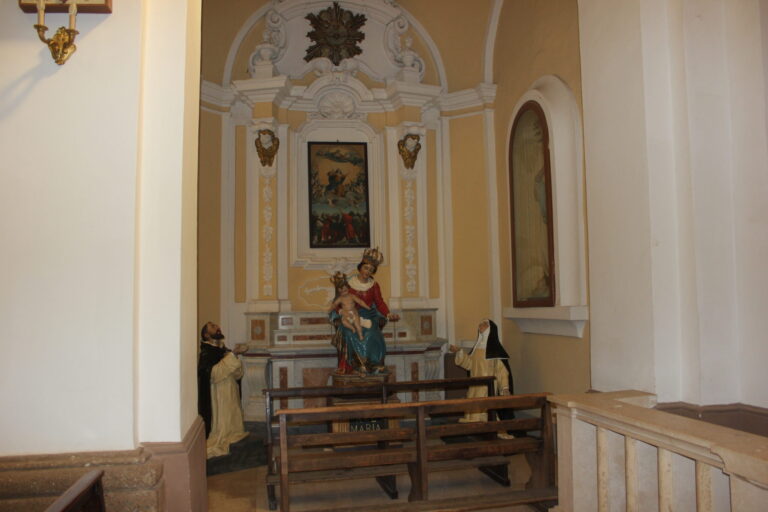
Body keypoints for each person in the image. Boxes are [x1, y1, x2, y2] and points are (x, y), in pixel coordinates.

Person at [330, 247, 399, 374]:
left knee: (373, 334)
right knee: (350, 332)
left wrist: (388, 314)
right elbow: (337, 302)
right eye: (366, 268)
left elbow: (379, 302)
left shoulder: (374, 285)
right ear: (360, 267)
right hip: (351, 316)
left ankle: (372, 365)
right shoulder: (348, 283)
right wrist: (341, 312)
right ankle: (354, 366)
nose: (367, 272)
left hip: (369, 316)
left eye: (371, 270)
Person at [197, 322, 248, 459]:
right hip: (218, 394)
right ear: (206, 335)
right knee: (222, 425)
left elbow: (237, 373)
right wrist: (233, 355)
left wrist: (234, 356)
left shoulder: (223, 350)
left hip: (231, 390)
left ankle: (232, 433)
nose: (217, 327)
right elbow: (213, 374)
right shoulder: (206, 353)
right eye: (212, 327)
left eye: (216, 325)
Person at [449, 319, 513, 423]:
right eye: (480, 323)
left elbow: (502, 371)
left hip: (487, 387)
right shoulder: (477, 349)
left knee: (484, 412)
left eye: (484, 324)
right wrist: (459, 352)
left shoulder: (495, 351)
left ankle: (485, 427)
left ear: (490, 329)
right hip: (474, 385)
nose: (480, 325)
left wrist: (505, 387)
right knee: (472, 409)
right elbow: (469, 364)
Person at [329, 272, 370, 340]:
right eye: (341, 291)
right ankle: (352, 328)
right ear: (338, 291)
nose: (343, 292)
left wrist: (367, 307)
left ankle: (360, 335)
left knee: (358, 325)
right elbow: (334, 305)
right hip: (346, 315)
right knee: (344, 322)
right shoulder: (340, 298)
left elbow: (360, 302)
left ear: (348, 288)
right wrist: (330, 309)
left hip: (354, 314)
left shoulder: (352, 296)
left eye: (345, 290)